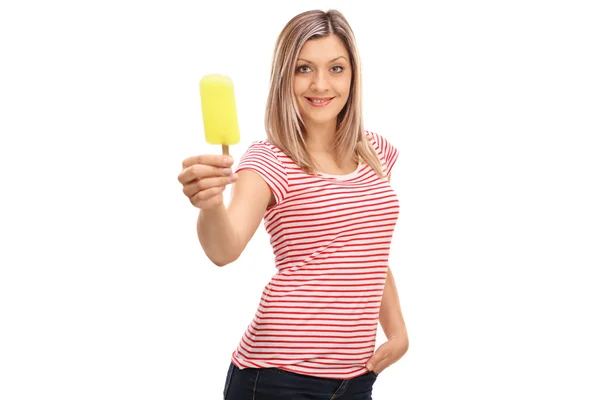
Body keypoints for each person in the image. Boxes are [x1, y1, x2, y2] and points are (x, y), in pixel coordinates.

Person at [178, 9, 409, 400]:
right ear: (285, 76)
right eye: (304, 68)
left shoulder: (377, 152)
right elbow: (224, 248)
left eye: (336, 68)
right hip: (278, 380)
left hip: (355, 380)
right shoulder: (269, 159)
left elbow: (368, 249)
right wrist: (211, 204)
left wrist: (399, 331)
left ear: (353, 75)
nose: (320, 84)